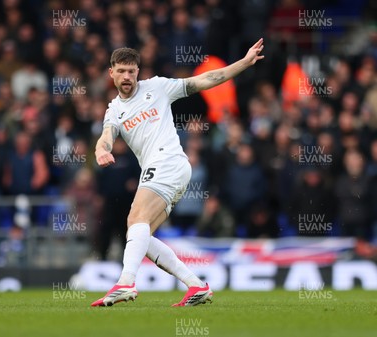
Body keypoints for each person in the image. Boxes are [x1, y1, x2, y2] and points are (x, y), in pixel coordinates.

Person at [92, 39, 265, 307]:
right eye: (122, 71)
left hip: (168, 162)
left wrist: (243, 63)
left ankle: (126, 281)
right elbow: (105, 136)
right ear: (111, 73)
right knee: (140, 234)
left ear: (138, 71)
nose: (127, 76)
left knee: (135, 220)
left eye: (132, 71)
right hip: (165, 169)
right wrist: (100, 151)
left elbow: (206, 80)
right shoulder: (114, 109)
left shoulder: (158, 87)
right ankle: (196, 285)